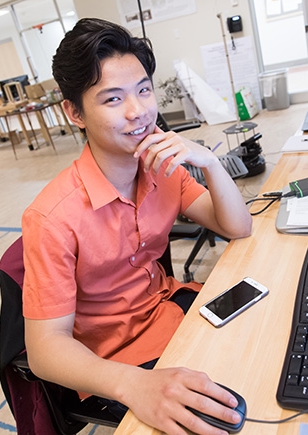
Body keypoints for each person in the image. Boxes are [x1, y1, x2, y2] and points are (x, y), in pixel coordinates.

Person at [21, 17, 252, 435]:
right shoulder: (52, 217)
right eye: (112, 100)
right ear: (74, 112)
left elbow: (236, 227)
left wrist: (210, 162)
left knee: (268, 343)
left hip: (172, 310)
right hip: (119, 360)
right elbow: (43, 350)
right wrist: (134, 385)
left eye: (144, 90)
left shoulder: (161, 168)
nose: (139, 112)